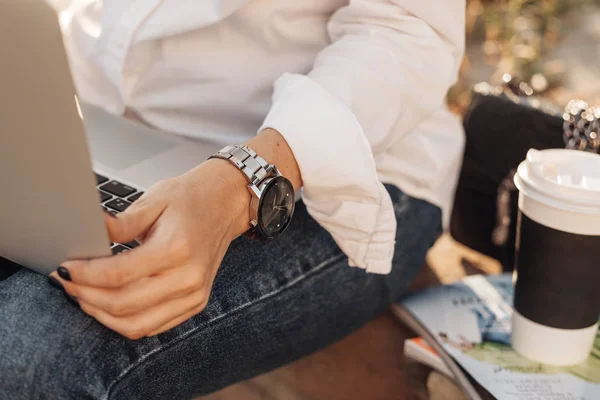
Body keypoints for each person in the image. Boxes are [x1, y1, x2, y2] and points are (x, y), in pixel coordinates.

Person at [0, 1, 465, 398]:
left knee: (27, 352)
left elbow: (407, 30)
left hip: (334, 167)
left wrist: (239, 184)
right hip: (92, 113)